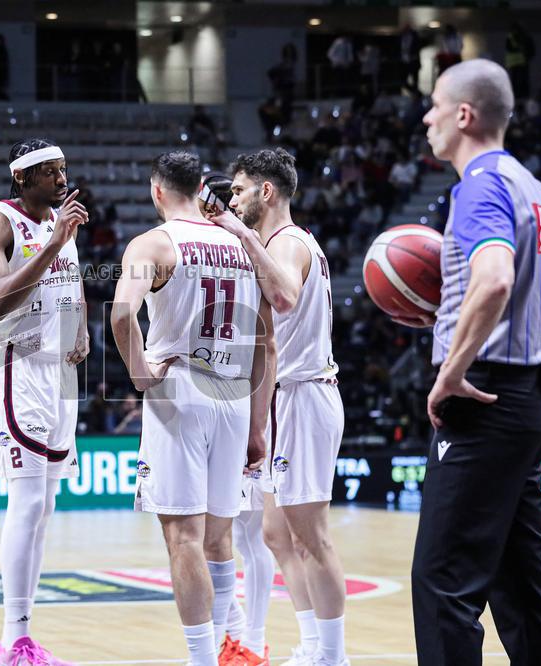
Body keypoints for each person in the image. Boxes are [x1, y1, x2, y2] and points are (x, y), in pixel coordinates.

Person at [408, 58, 541, 666]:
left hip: (481, 400)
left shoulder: (479, 186)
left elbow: (493, 280)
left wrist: (453, 368)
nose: (427, 116)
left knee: (442, 584)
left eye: (434, 104)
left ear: (463, 115)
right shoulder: (536, 191)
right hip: (527, 399)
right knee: (521, 581)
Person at [111, 151, 275, 665]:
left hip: (180, 390)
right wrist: (255, 421)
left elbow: (120, 313)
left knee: (183, 536)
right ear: (202, 186)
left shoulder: (154, 243)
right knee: (220, 538)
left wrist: (139, 371)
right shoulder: (239, 244)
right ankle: (226, 651)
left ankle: (202, 660)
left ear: (157, 191)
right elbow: (261, 340)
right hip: (232, 390)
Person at [211, 149, 347, 666]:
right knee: (274, 533)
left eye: (240, 190)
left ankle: (332, 656)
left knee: (311, 536)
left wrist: (241, 235)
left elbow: (286, 297)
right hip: (284, 399)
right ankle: (313, 643)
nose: (232, 198)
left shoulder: (287, 243)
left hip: (304, 397)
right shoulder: (275, 243)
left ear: (266, 192)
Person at [0, 138, 89, 665]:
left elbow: (74, 282)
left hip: (61, 374)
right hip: (17, 365)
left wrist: (82, 326)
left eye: (62, 169)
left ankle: (26, 637)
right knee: (26, 501)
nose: (61, 178)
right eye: (49, 171)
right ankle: (10, 639)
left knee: (45, 507)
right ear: (22, 178)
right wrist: (53, 241)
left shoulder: (62, 222)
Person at [196, 172, 276, 666]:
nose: (215, 206)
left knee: (249, 531)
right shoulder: (210, 247)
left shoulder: (251, 248)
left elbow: (266, 340)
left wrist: (256, 421)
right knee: (218, 532)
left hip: (249, 396)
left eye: (222, 197)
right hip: (219, 395)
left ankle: (250, 638)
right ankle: (236, 634)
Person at [505, 22, 535, 100]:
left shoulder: (513, 37)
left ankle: (520, 96)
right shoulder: (518, 37)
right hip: (520, 62)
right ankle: (521, 95)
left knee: (519, 80)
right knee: (520, 80)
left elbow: (531, 50)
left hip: (519, 62)